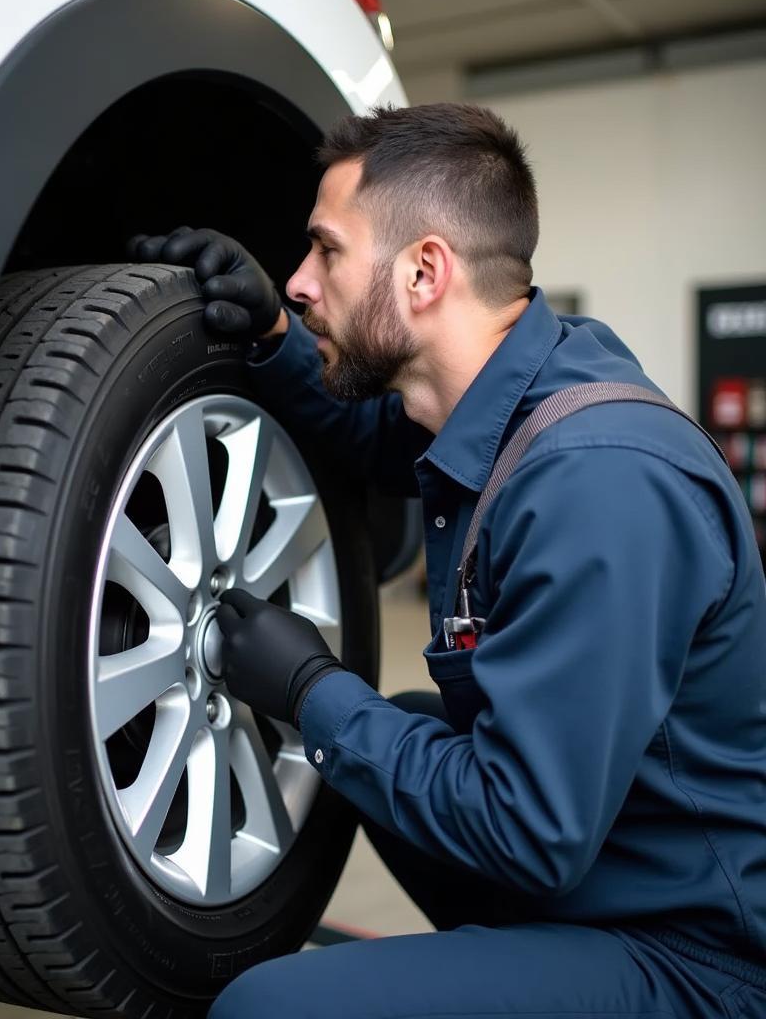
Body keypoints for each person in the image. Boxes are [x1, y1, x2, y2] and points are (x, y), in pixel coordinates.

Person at [128, 103, 766, 1019]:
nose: (301, 280)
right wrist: (273, 339)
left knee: (265, 1011)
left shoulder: (598, 484)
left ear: (426, 270)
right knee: (413, 724)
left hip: (698, 959)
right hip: (602, 878)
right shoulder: (519, 393)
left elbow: (526, 827)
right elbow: (380, 439)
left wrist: (311, 690)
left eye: (325, 251)